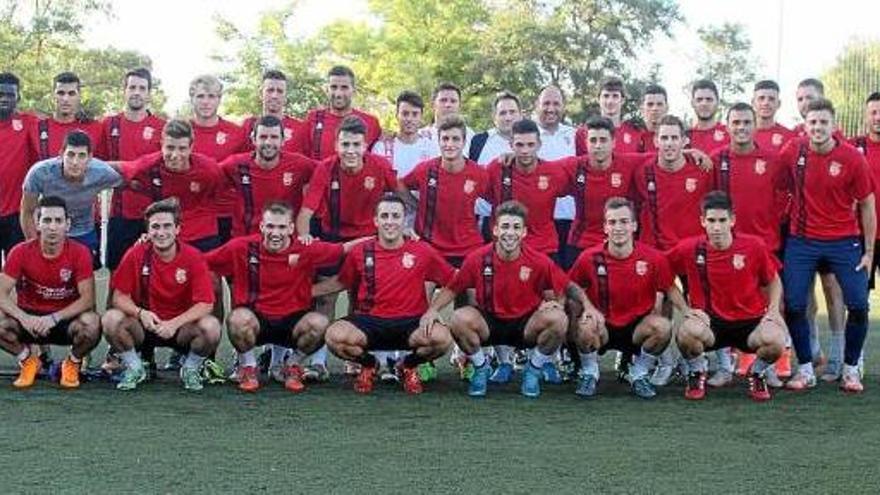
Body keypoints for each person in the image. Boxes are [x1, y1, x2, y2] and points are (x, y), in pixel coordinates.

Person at [426, 200, 591, 398]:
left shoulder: (538, 260)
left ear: (524, 232)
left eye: (516, 227)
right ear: (495, 230)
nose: (510, 233)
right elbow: (453, 288)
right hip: (489, 324)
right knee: (458, 319)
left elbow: (565, 285)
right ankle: (481, 367)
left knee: (558, 319)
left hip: (525, 325)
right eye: (505, 226)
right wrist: (432, 310)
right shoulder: (477, 258)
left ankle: (533, 369)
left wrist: (560, 303)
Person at [207, 201, 360, 392]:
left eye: (281, 227)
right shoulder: (241, 247)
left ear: (291, 228)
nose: (275, 232)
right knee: (237, 319)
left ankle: (292, 365)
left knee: (320, 322)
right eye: (270, 226)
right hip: (256, 321)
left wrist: (386, 238)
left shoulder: (305, 248)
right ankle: (248, 367)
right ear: (262, 226)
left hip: (292, 322)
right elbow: (201, 262)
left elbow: (344, 249)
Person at [779, 98, 875, 393]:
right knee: (794, 305)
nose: (818, 127)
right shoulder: (792, 151)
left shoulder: (851, 158)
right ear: (804, 126)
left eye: (823, 122)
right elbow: (779, 186)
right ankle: (805, 370)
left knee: (858, 305)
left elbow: (867, 203)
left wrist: (869, 251)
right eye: (812, 122)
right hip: (802, 240)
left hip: (844, 241)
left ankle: (850, 369)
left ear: (834, 126)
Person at [317, 195, 455, 394]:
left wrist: (433, 309)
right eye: (385, 216)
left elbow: (453, 281)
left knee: (442, 338)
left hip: (411, 323)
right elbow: (340, 282)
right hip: (369, 322)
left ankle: (407, 365)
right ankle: (370, 364)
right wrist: (305, 291)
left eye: (395, 216)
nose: (390, 221)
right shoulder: (360, 251)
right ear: (376, 220)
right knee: (334, 336)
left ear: (404, 220)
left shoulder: (422, 250)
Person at [295, 115, 398, 381]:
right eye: (345, 144)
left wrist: (404, 227)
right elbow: (306, 211)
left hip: (369, 243)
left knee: (362, 298)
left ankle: (362, 359)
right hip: (334, 240)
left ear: (365, 146)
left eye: (356, 144)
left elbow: (400, 197)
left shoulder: (380, 166)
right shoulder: (326, 168)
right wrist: (305, 237)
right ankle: (318, 363)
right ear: (336, 145)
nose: (350, 150)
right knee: (325, 298)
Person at [670, 191, 786, 401]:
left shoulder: (754, 246)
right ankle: (696, 372)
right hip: (710, 324)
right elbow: (662, 276)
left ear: (732, 220)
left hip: (749, 323)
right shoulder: (689, 248)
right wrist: (686, 311)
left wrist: (774, 310)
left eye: (722, 220)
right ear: (702, 221)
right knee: (687, 333)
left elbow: (774, 279)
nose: (716, 227)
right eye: (711, 220)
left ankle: (757, 373)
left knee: (776, 339)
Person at [705, 102, 790, 387]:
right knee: (720, 306)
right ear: (726, 126)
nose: (740, 127)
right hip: (726, 246)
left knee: (774, 303)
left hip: (765, 244)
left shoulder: (773, 159)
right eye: (735, 122)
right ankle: (724, 367)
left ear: (755, 125)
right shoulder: (716, 159)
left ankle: (769, 366)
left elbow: (788, 191)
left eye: (745, 122)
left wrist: (775, 221)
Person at [101, 198, 221, 391]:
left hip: (180, 329)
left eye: (167, 226)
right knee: (110, 319)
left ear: (177, 229)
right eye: (155, 227)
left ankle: (190, 368)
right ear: (148, 231)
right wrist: (141, 313)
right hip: (145, 326)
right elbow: (119, 297)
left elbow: (206, 304)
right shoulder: (136, 254)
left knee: (211, 326)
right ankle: (135, 367)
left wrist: (174, 324)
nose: (161, 232)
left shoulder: (193, 257)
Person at [567, 197, 677, 399]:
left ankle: (639, 373)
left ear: (634, 225)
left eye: (624, 222)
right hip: (602, 327)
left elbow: (669, 289)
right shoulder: (589, 257)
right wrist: (587, 307)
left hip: (637, 328)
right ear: (605, 227)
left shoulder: (654, 258)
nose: (618, 227)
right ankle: (589, 372)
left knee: (662, 327)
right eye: (612, 222)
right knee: (584, 323)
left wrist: (686, 312)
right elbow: (570, 286)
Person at [0, 196, 100, 389]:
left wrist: (54, 318)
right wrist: (24, 318)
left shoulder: (80, 252)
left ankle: (72, 363)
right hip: (30, 321)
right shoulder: (20, 251)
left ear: (67, 224)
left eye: (58, 221)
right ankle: (28, 360)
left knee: (92, 324)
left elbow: (88, 299)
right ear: (37, 223)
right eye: (46, 220)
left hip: (64, 320)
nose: (52, 227)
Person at [97, 68, 166, 269]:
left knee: (154, 272)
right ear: (124, 91)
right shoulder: (110, 124)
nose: (137, 92)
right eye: (132, 87)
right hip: (120, 213)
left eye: (142, 88)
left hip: (153, 212)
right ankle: (112, 302)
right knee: (117, 271)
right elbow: (100, 165)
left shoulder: (161, 127)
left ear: (149, 93)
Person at [120, 119, 223, 252]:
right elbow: (117, 169)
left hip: (202, 232)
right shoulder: (148, 165)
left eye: (182, 148)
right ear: (161, 144)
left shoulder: (209, 169)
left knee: (206, 271)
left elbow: (218, 191)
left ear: (191, 147)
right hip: (165, 231)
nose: (175, 155)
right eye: (170, 147)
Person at [21, 130, 122, 258]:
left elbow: (129, 180)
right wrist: (33, 244)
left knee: (84, 273)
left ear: (90, 157)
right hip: (51, 228)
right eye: (70, 154)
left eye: (81, 156)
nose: (75, 162)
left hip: (84, 230)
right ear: (61, 154)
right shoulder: (40, 172)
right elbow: (27, 211)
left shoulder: (102, 172)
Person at [219, 115, 316, 238]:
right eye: (263, 137)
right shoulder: (236, 164)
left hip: (284, 241)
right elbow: (208, 175)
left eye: (274, 137)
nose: (268, 142)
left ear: (283, 140)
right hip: (246, 240)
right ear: (253, 140)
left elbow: (326, 171)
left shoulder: (299, 164)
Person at [188, 74, 248, 245]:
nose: (206, 102)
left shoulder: (236, 133)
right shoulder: (182, 131)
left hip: (229, 213)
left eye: (211, 96)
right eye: (200, 96)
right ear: (192, 99)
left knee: (232, 269)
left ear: (219, 99)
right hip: (194, 215)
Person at [292, 65, 382, 160]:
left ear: (353, 91)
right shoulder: (313, 118)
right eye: (334, 87)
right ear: (327, 90)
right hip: (321, 174)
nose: (338, 93)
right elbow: (298, 157)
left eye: (344, 88)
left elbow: (378, 159)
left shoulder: (371, 122)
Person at [0, 72, 36, 261]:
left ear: (18, 97)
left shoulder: (29, 123)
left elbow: (58, 127)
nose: (4, 99)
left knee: (19, 273)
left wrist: (80, 117)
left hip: (17, 214)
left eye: (10, 95)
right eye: (0, 94)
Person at [28, 72, 103, 163]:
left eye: (71, 93)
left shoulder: (96, 128)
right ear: (53, 95)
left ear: (79, 96)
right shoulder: (35, 128)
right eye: (61, 93)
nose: (65, 99)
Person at [371, 91, 434, 178]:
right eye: (405, 114)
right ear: (397, 115)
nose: (409, 119)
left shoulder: (431, 147)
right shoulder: (381, 147)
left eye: (415, 114)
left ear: (421, 117)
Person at [241, 69, 304, 152]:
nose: (275, 96)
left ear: (285, 96)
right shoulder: (248, 125)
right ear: (261, 94)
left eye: (280, 91)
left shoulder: (300, 128)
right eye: (270, 90)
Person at [577, 76, 643, 154]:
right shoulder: (583, 133)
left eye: (615, 96)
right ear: (598, 99)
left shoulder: (635, 133)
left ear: (622, 100)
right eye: (606, 96)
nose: (610, 101)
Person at [419, 82, 474, 156]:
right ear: (433, 105)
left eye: (453, 101)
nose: (448, 105)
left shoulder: (471, 136)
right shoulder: (420, 136)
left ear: (459, 106)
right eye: (443, 100)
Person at [751, 80, 795, 153]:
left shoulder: (790, 137)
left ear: (779, 104)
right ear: (753, 102)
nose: (766, 103)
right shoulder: (739, 134)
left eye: (771, 99)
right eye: (761, 98)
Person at [687, 79, 729, 154]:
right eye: (699, 100)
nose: (704, 104)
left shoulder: (729, 133)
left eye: (709, 99)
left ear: (717, 102)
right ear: (692, 103)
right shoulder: (685, 137)